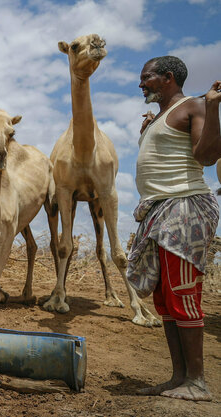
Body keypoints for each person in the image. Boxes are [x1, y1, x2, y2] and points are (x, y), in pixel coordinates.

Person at [128, 56, 221, 402]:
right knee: (165, 298)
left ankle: (197, 382)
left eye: (146, 77)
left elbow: (207, 155)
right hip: (161, 211)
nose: (141, 84)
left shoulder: (194, 106)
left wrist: (211, 109)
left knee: (182, 292)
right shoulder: (161, 117)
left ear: (168, 78)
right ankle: (179, 377)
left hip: (184, 208)